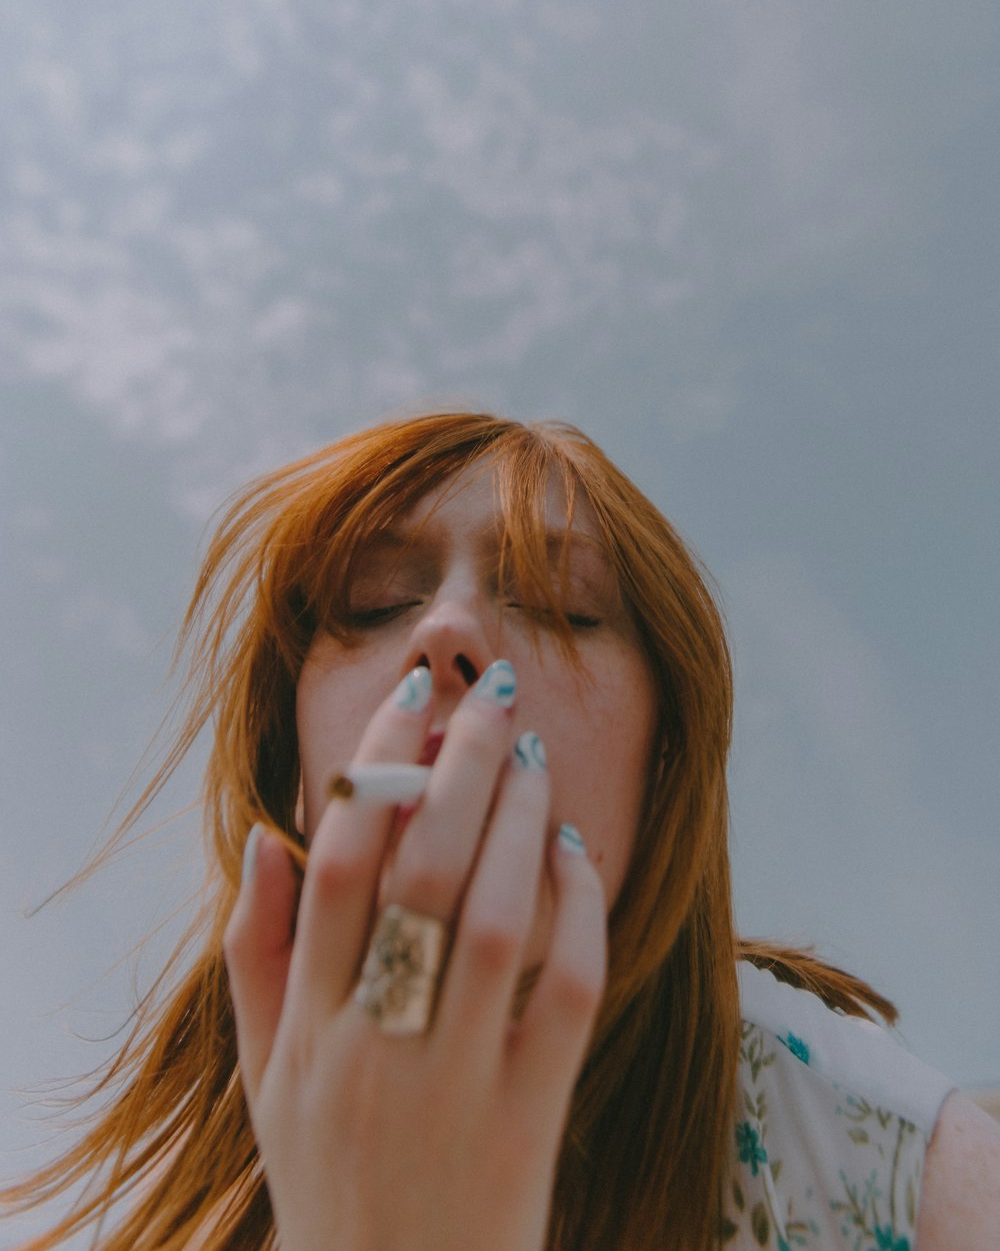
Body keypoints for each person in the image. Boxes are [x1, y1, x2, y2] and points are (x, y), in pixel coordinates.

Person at [4, 411, 998, 1251]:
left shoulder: (876, 1150)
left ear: (661, 769)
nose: (445, 630)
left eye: (563, 608)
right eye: (376, 602)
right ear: (296, 778)